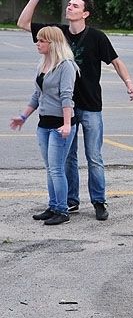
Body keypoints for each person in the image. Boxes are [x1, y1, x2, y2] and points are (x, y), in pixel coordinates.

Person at [17, 0, 133, 221]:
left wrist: (129, 83)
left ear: (85, 14)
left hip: (91, 105)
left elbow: (116, 61)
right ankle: (70, 201)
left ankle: (99, 201)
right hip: (66, 109)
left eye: (75, 5)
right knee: (68, 158)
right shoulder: (58, 33)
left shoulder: (96, 37)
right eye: (69, 4)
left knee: (94, 157)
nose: (69, 7)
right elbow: (23, 24)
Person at [10, 27, 79, 225]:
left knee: (57, 169)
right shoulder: (42, 64)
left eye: (41, 41)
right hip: (44, 124)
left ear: (53, 43)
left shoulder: (66, 66)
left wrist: (67, 124)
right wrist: (23, 116)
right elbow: (37, 95)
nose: (37, 44)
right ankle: (53, 206)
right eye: (38, 40)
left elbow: (67, 96)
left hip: (60, 125)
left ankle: (63, 211)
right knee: (50, 168)